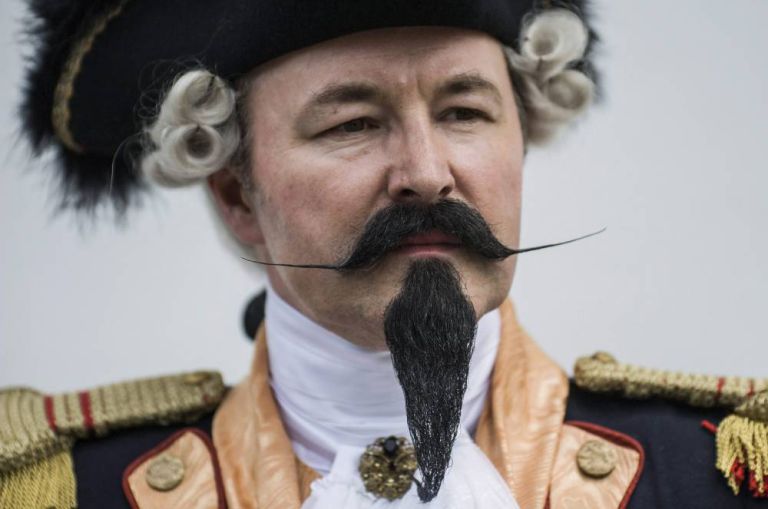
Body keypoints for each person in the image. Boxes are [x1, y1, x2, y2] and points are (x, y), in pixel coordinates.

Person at [1, 0, 766, 508]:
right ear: (236, 194)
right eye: (352, 124)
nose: (427, 173)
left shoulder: (723, 476)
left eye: (464, 111)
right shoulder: (77, 488)